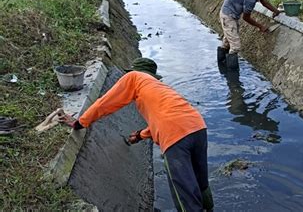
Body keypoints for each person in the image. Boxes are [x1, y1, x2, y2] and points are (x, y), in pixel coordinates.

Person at [60, 58, 214, 212]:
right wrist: (140, 135)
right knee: (201, 181)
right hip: (198, 126)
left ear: (134, 70)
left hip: (175, 136)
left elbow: (104, 104)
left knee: (184, 192)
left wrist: (80, 123)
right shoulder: (159, 87)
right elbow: (165, 119)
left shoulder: (133, 77)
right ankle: (210, 208)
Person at [217, 0, 281, 69]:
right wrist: (260, 26)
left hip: (230, 13)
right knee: (235, 47)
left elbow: (263, 1)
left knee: (227, 41)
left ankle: (222, 65)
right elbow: (246, 18)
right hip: (228, 16)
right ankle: (232, 78)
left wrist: (275, 11)